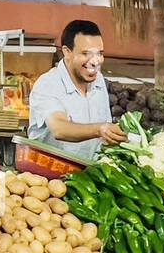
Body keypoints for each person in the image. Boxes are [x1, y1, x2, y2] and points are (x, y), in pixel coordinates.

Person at [27, 19, 126, 158]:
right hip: (49, 175)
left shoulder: (98, 80)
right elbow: (59, 129)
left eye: (99, 53)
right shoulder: (48, 84)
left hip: (89, 174)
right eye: (86, 54)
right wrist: (100, 129)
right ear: (67, 52)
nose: (94, 62)